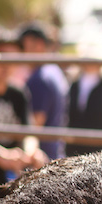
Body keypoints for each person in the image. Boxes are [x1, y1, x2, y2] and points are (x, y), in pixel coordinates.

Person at [0, 34, 47, 204]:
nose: (7, 66)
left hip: (12, 183)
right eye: (3, 57)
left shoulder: (19, 93)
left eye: (13, 58)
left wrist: (30, 152)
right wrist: (3, 157)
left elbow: (29, 131)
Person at [19, 22, 69, 160]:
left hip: (41, 160)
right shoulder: (54, 71)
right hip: (54, 154)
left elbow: (35, 124)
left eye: (24, 46)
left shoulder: (39, 78)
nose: (22, 52)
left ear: (39, 44)